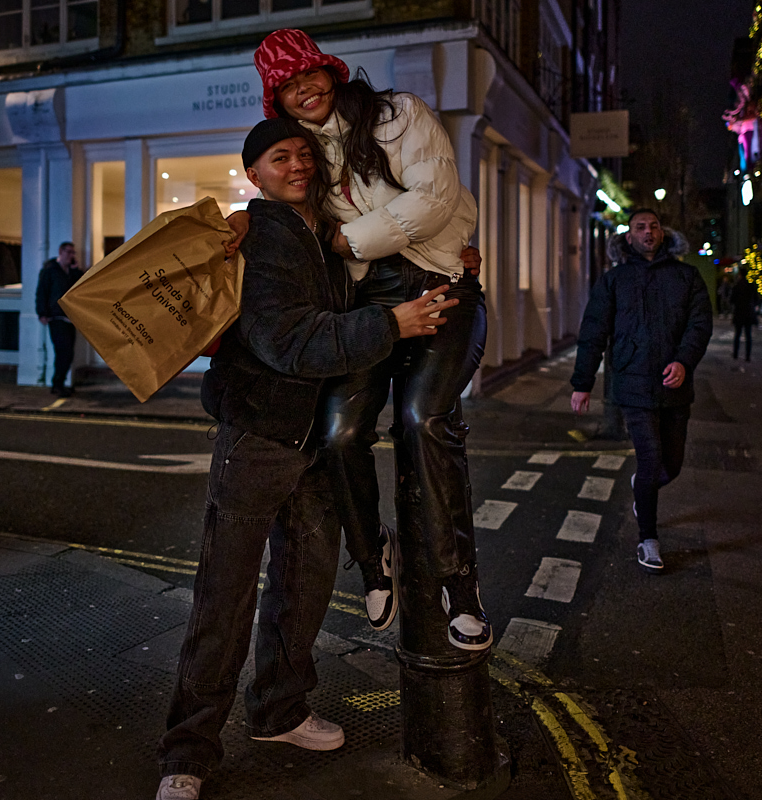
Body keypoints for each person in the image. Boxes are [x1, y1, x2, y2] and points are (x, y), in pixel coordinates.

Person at [154, 119, 458, 800]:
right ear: (254, 175)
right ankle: (187, 753)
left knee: (304, 583)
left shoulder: (324, 234)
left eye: (302, 153)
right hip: (258, 437)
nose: (296, 164)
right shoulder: (262, 235)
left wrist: (450, 253)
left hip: (314, 442)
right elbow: (285, 340)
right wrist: (391, 325)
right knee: (224, 597)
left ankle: (280, 711)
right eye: (278, 157)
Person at [250, 29, 491, 650]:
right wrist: (242, 221)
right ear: (277, 100)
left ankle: (458, 581)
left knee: (423, 419)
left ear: (331, 72)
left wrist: (350, 240)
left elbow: (434, 199)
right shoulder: (305, 154)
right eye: (286, 86)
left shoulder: (398, 114)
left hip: (440, 284)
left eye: (309, 74)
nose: (303, 90)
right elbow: (290, 216)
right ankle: (371, 554)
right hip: (368, 303)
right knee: (339, 432)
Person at [570, 209, 713, 573]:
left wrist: (684, 362)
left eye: (653, 226)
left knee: (672, 466)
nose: (648, 232)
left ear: (663, 233)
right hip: (632, 384)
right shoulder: (614, 280)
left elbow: (699, 325)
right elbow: (593, 332)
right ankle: (648, 539)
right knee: (650, 459)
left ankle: (642, 488)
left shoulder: (686, 277)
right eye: (640, 227)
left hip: (675, 385)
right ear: (629, 236)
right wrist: (582, 384)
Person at [35, 242, 83, 396]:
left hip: (70, 318)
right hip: (56, 317)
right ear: (60, 252)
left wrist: (75, 270)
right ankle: (57, 384)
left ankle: (60, 383)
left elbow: (79, 286)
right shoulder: (50, 271)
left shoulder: (70, 272)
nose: (71, 255)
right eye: (69, 252)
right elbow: (42, 292)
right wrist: (42, 313)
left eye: (73, 253)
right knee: (63, 352)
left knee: (68, 353)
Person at [730, 271, 758, 362]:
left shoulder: (736, 286)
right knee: (748, 335)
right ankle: (748, 355)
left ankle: (735, 354)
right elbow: (756, 299)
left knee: (737, 334)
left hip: (739, 312)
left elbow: (732, 300)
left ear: (739, 275)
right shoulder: (751, 286)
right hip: (748, 313)